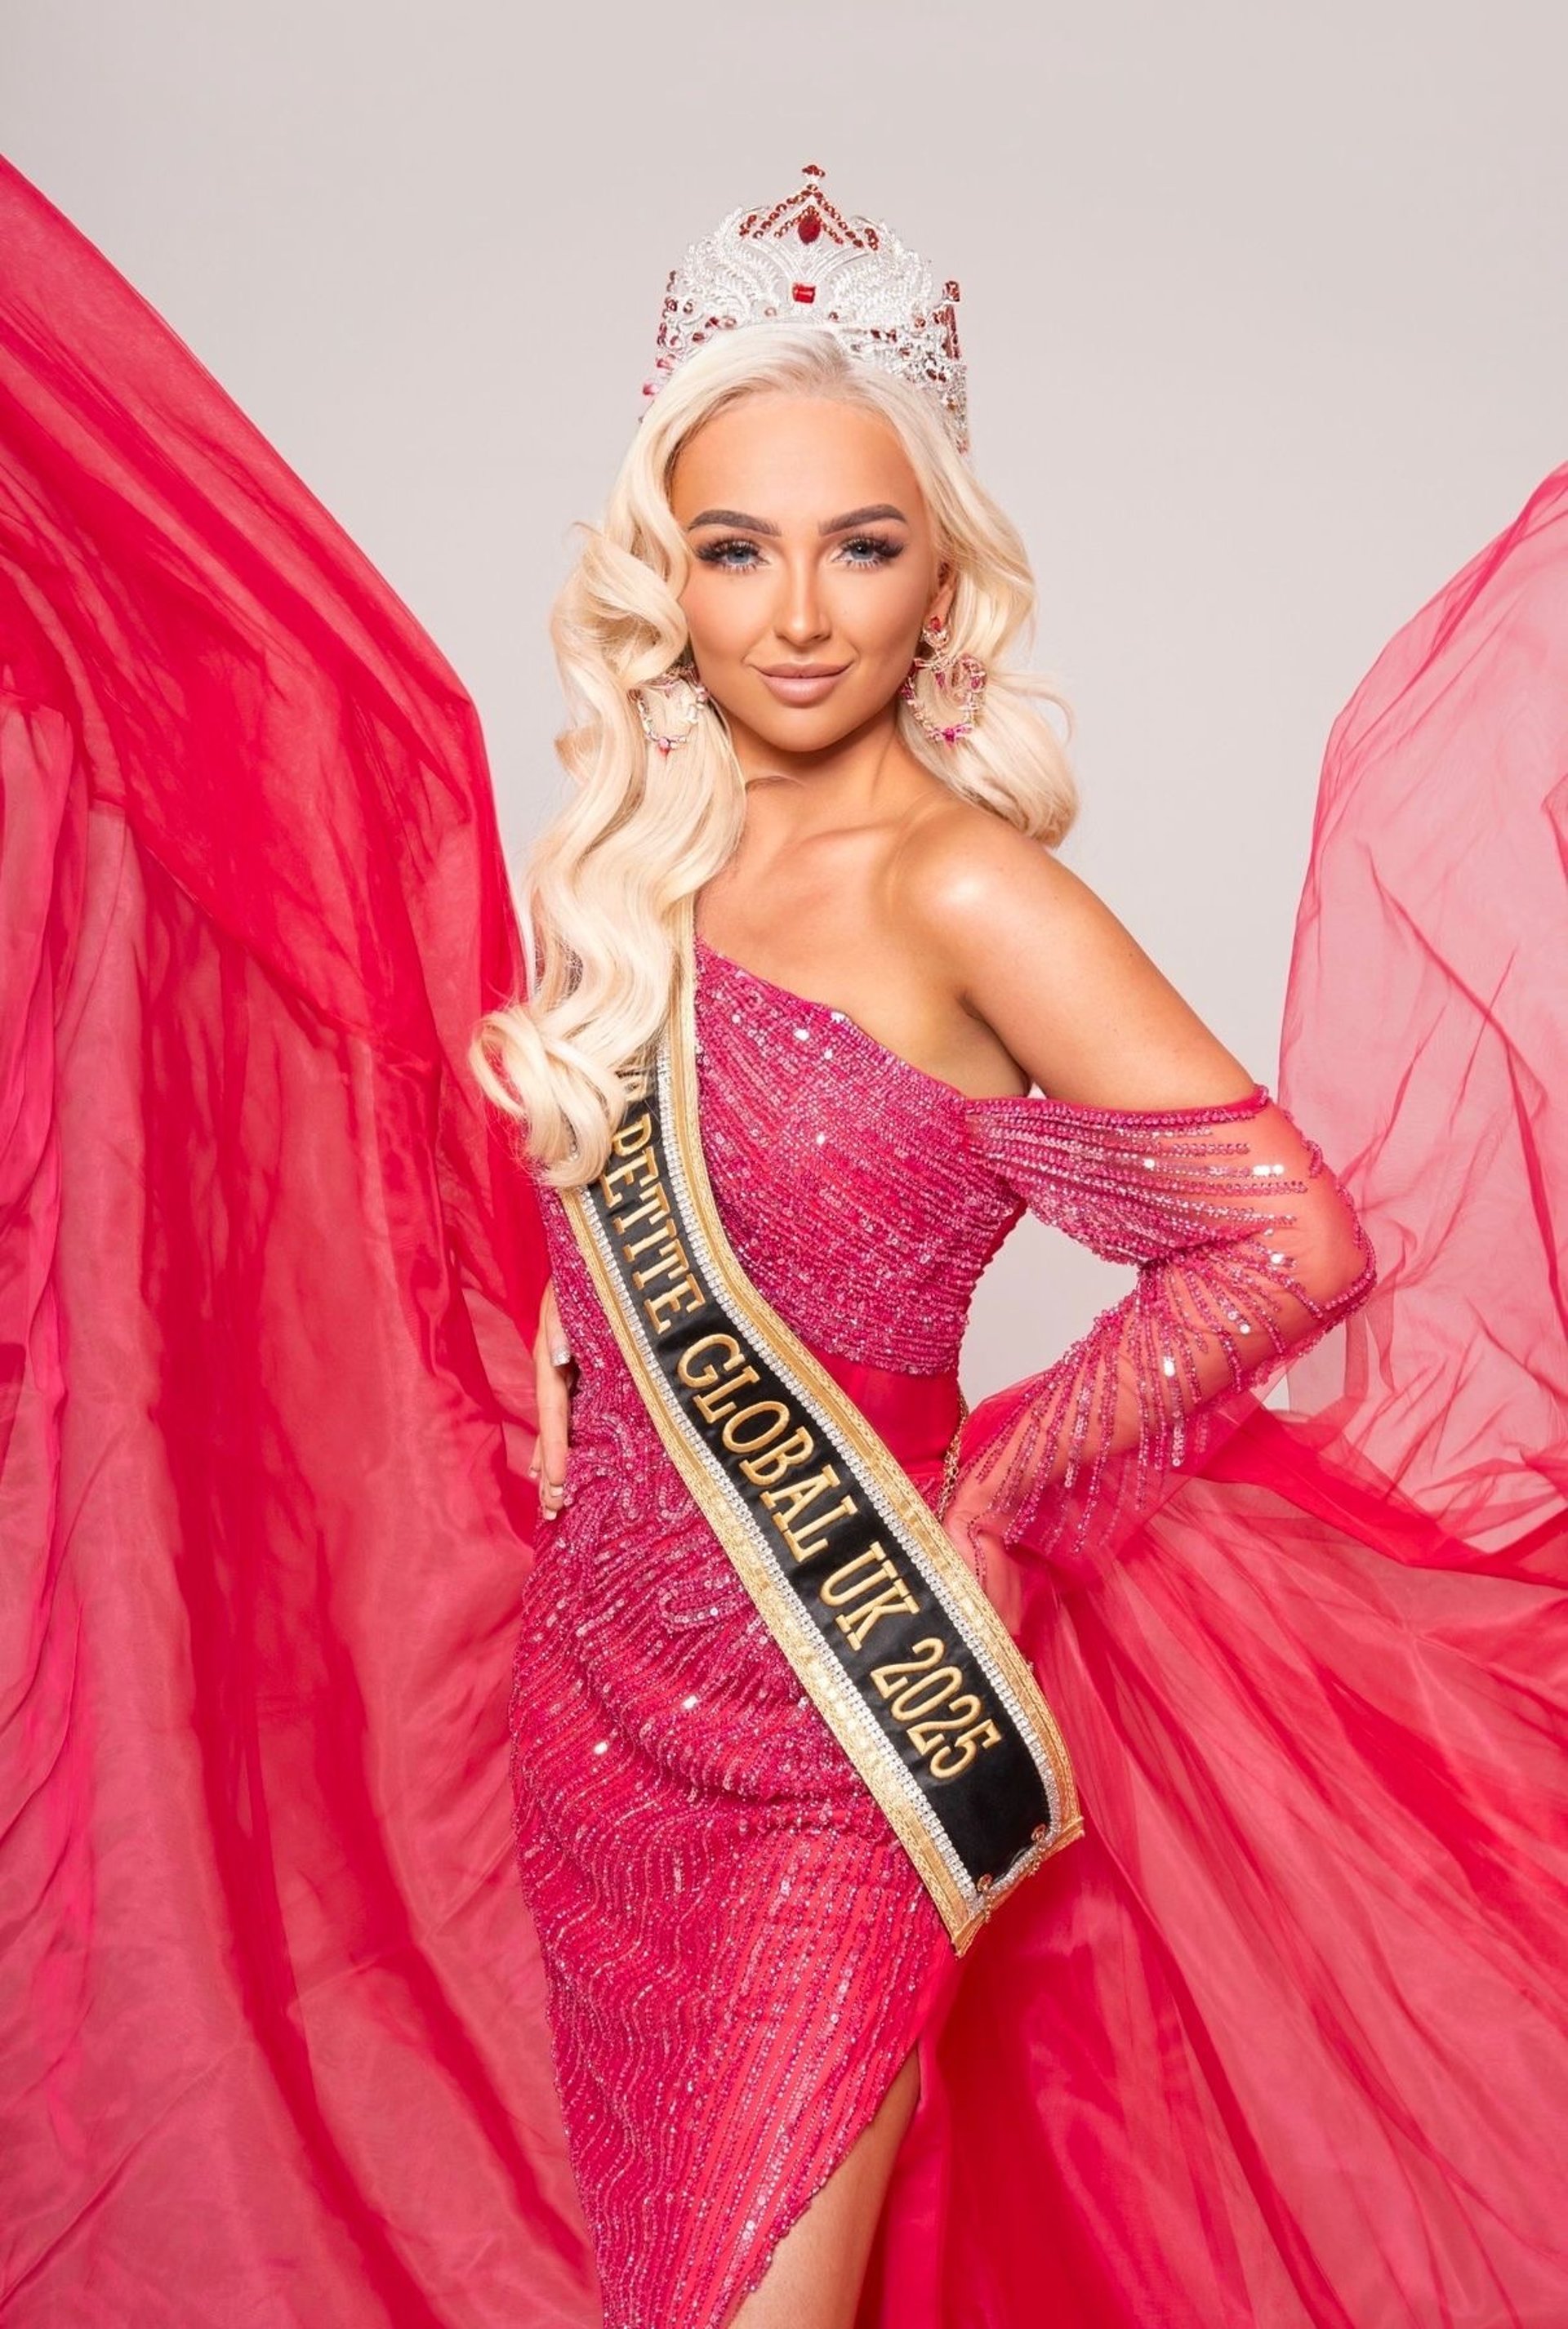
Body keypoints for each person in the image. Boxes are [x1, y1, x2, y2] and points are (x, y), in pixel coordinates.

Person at [2, 150, 1565, 2329]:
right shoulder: (634, 871)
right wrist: (570, 1328)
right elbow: (654, 1215)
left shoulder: (967, 887)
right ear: (670, 578)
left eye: (863, 546)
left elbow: (1285, 1236)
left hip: (851, 1728)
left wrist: (1008, 1486)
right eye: (737, 551)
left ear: (947, 580)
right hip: (597, 1716)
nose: (801, 611)